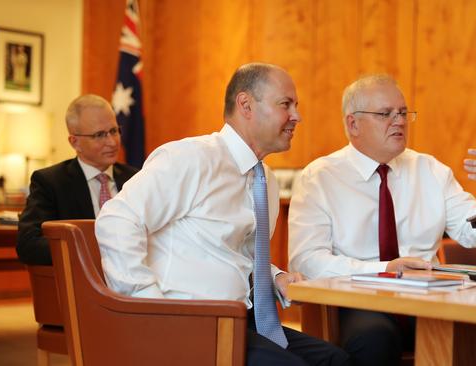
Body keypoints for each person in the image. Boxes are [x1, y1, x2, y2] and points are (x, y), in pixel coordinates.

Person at [95, 63, 350, 366]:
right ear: (246, 105)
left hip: (241, 321)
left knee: (336, 360)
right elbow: (116, 220)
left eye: (296, 105)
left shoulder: (265, 180)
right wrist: (151, 305)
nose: (297, 116)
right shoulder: (190, 158)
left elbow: (237, 256)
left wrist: (275, 275)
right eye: (286, 104)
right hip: (189, 325)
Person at [288, 74, 476, 366]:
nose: (399, 121)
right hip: (358, 300)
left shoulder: (430, 169)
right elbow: (306, 261)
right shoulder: (319, 177)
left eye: (403, 113)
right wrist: (384, 269)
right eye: (386, 114)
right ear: (353, 124)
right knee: (374, 340)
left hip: (428, 299)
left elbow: (474, 233)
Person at [17, 94, 139, 265]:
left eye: (114, 131)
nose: (111, 142)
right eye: (99, 135)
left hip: (137, 280)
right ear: (75, 143)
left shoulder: (137, 179)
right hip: (81, 284)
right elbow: (28, 245)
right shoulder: (50, 182)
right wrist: (93, 251)